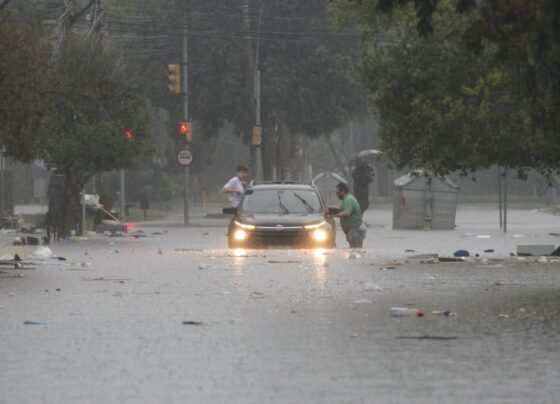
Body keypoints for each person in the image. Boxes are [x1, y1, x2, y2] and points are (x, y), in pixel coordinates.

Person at [333, 182, 365, 248]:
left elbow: (347, 213)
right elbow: (340, 210)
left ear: (343, 191)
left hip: (355, 229)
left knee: (355, 250)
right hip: (353, 229)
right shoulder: (346, 200)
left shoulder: (348, 199)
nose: (337, 194)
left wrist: (334, 215)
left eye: (338, 192)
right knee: (354, 250)